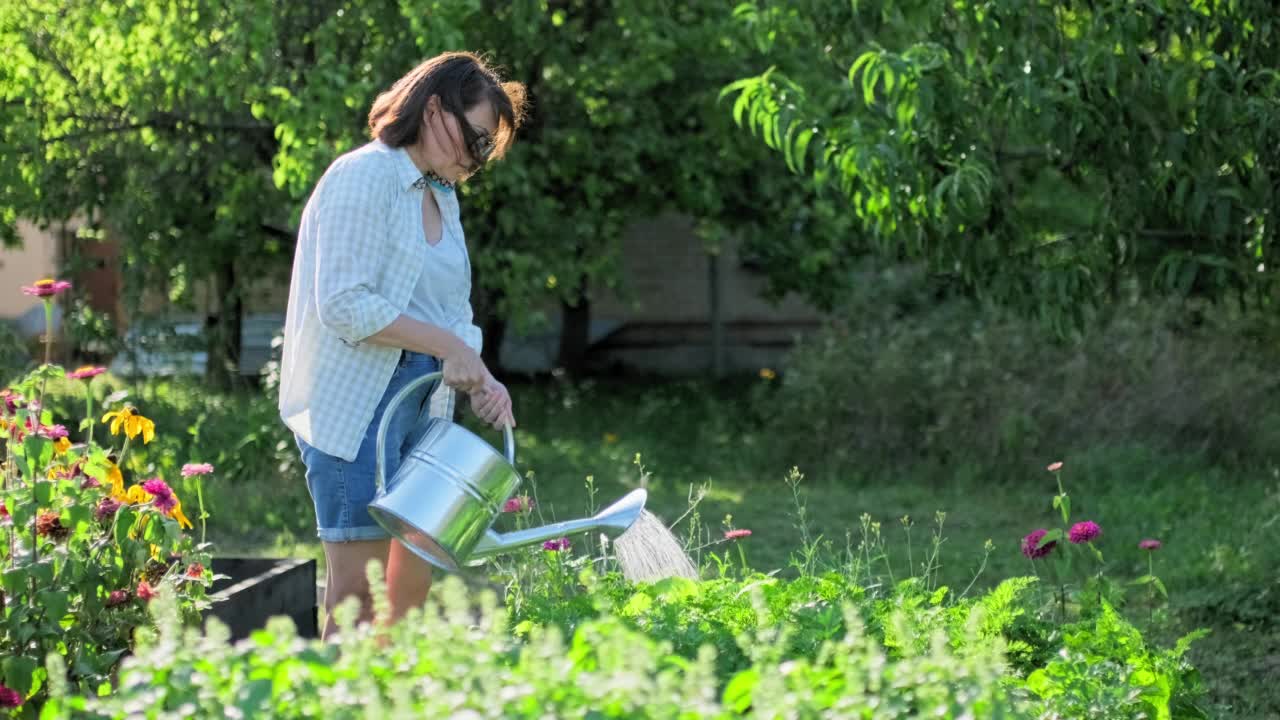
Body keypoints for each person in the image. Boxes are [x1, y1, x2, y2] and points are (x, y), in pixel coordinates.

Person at [278, 52, 527, 640]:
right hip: (357, 409)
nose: (477, 158)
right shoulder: (363, 175)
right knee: (359, 602)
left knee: (408, 597)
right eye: (475, 138)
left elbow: (452, 314)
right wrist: (445, 345)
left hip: (424, 409)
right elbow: (342, 303)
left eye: (487, 149)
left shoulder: (442, 196)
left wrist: (482, 377)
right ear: (433, 108)